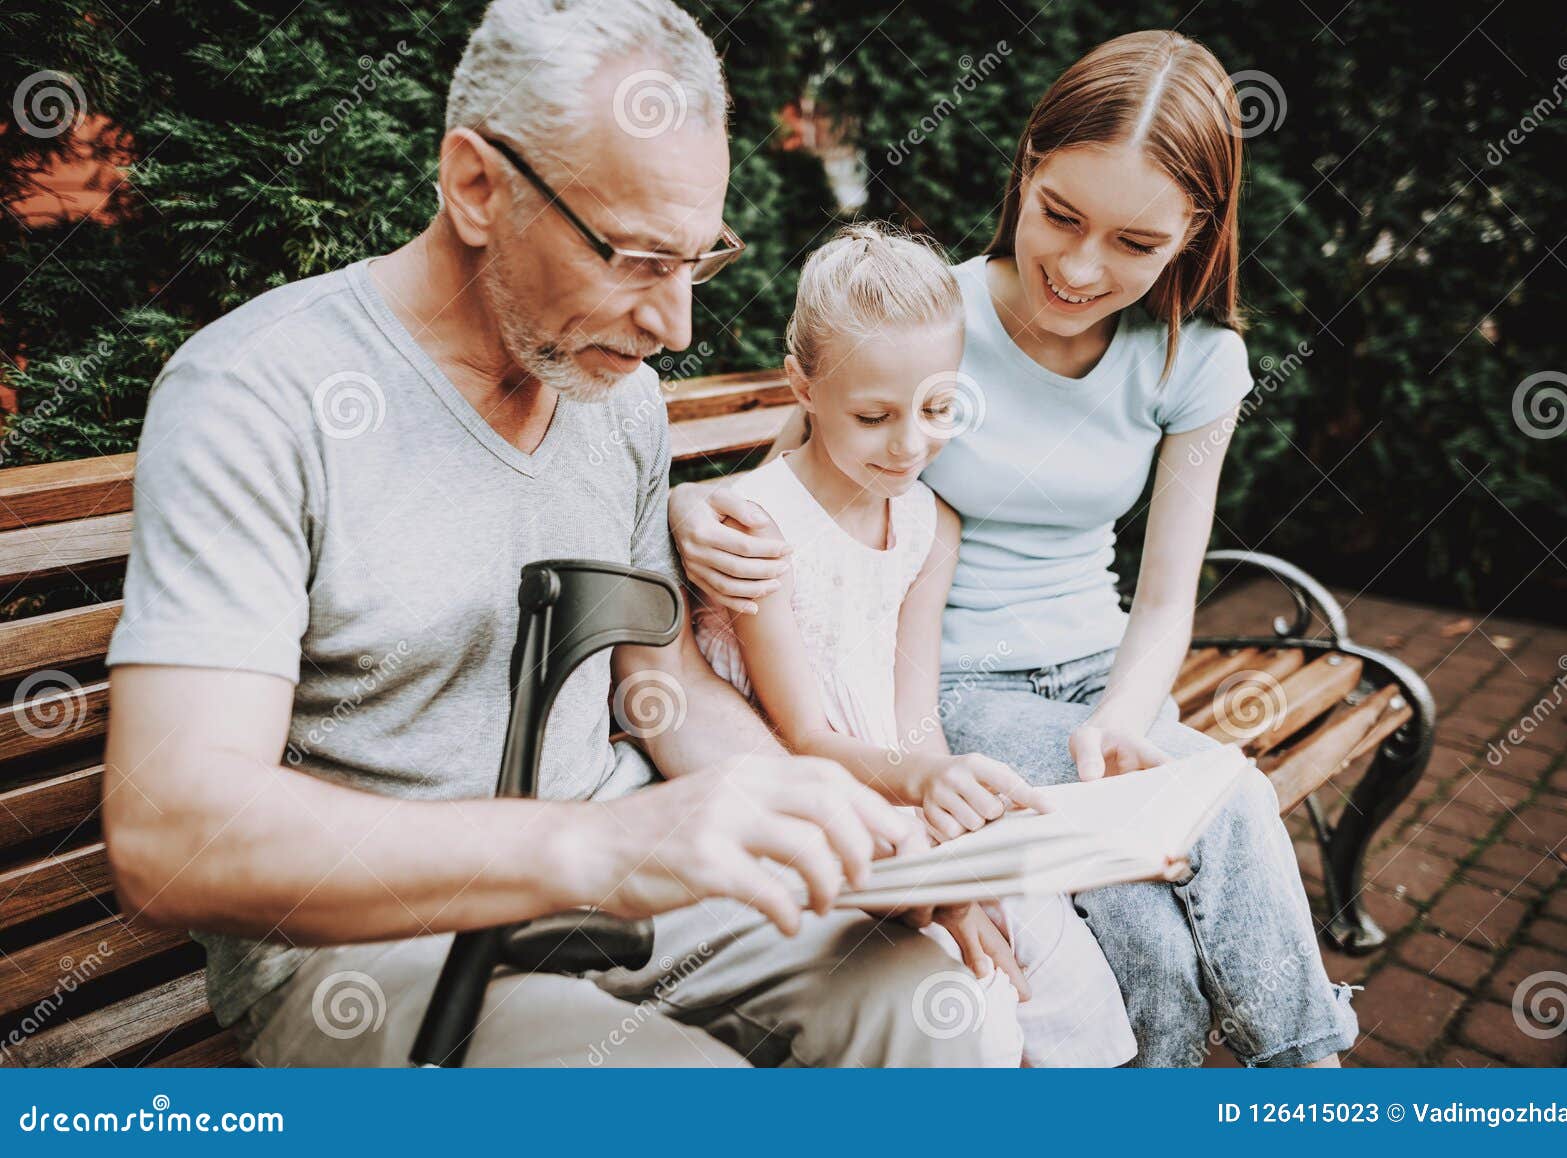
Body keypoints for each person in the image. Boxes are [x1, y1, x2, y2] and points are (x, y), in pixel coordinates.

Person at [100, 0, 1024, 1068]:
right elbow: (172, 834)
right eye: (634, 259)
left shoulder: (614, 401)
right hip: (365, 943)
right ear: (477, 185)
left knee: (922, 1009)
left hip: (621, 881)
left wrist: (845, 835)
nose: (674, 327)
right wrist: (591, 848)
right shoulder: (256, 396)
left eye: (695, 263)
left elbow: (658, 688)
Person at [670, 30, 1360, 1067]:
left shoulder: (1198, 359)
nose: (1079, 269)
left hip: (1103, 678)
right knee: (1204, 834)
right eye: (1060, 216)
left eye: (1134, 244)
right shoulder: (933, 314)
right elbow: (801, 478)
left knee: (1173, 882)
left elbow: (1167, 596)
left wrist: (1123, 716)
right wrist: (683, 514)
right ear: (1026, 169)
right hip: (959, 686)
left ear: (1194, 234)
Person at [689, 222, 1139, 1067]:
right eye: (873, 416)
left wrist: (958, 839)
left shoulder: (930, 526)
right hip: (805, 809)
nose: (909, 445)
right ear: (804, 386)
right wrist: (927, 818)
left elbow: (913, 717)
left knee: (1059, 961)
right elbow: (803, 736)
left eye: (936, 409)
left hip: (900, 793)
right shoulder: (760, 527)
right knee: (969, 998)